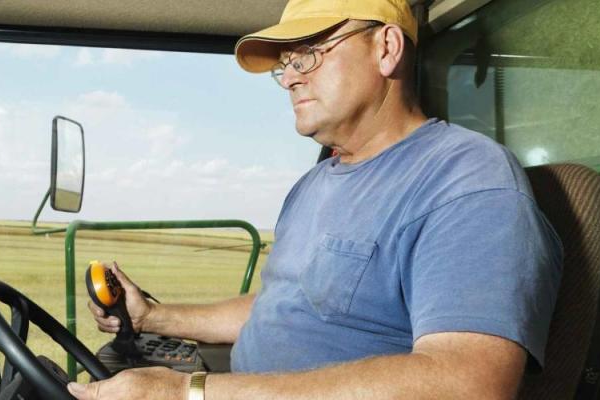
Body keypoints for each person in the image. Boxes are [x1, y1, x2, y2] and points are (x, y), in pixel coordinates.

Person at [67, 0, 563, 398]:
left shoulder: (464, 179)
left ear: (386, 47)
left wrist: (188, 394)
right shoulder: (314, 184)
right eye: (284, 64)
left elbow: (468, 383)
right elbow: (279, 307)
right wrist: (155, 316)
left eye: (308, 53)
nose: (291, 77)